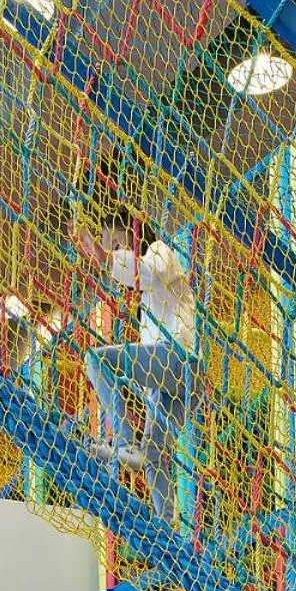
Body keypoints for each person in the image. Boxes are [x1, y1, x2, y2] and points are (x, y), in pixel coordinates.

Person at [75, 209, 198, 522]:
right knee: (155, 457)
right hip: (175, 384)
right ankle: (168, 528)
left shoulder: (160, 251)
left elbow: (148, 272)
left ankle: (124, 440)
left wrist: (107, 259)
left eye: (118, 243)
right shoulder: (147, 303)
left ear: (134, 235)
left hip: (177, 361)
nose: (115, 252)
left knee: (97, 359)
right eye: (111, 247)